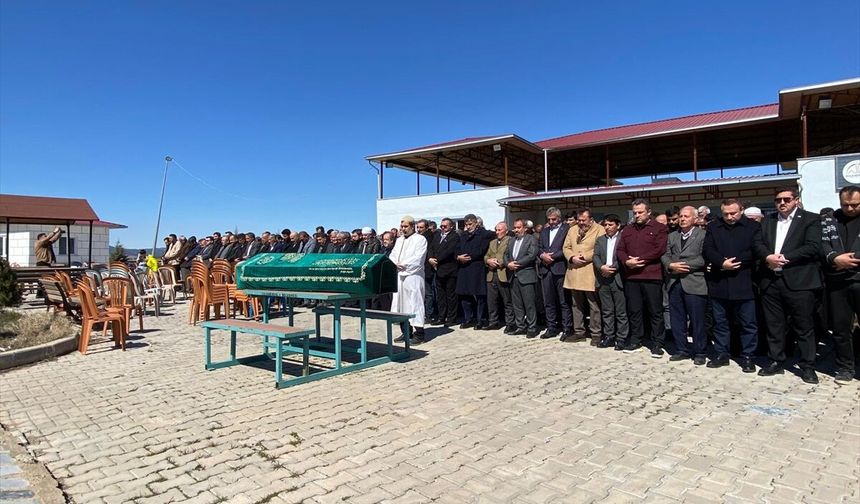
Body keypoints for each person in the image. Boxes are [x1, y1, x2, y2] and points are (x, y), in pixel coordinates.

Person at [754, 187, 823, 384]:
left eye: (786, 199)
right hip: (771, 281)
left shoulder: (811, 219)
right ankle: (776, 360)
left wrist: (784, 258)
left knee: (804, 326)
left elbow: (813, 247)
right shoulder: (768, 221)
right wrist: (768, 257)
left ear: (796, 200)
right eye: (778, 200)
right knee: (774, 325)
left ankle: (808, 365)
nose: (782, 203)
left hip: (799, 281)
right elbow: (757, 243)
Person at [702, 198, 760, 371]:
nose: (729, 217)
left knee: (748, 323)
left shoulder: (752, 226)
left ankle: (748, 356)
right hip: (720, 281)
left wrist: (737, 261)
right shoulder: (714, 226)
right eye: (725, 213)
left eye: (733, 213)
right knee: (720, 322)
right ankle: (722, 353)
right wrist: (721, 262)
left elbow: (755, 250)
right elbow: (707, 249)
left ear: (741, 210)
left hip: (744, 280)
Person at [616, 198, 668, 357]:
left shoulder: (659, 228)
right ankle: (636, 339)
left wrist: (640, 260)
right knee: (634, 310)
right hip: (631, 276)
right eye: (635, 212)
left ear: (649, 212)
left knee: (655, 311)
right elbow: (620, 249)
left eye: (640, 212)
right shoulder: (627, 229)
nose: (637, 215)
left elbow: (659, 249)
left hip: (651, 275)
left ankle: (657, 343)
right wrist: (627, 261)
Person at [822, 186, 860, 383]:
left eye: (855, 205)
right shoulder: (830, 220)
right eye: (846, 205)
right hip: (838, 282)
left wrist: (850, 259)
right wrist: (834, 257)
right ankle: (845, 367)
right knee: (840, 328)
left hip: (859, 277)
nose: (850, 208)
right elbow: (822, 244)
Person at [661, 206, 708, 363]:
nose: (682, 219)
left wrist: (683, 264)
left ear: (695, 219)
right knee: (677, 319)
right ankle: (681, 349)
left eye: (686, 216)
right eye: (680, 216)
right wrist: (670, 265)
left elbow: (703, 257)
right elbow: (665, 255)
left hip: (694, 281)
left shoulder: (703, 235)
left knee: (697, 320)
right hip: (674, 282)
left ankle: (700, 352)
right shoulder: (672, 236)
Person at [562, 208, 605, 344]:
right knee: (576, 304)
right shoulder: (572, 230)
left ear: (591, 219)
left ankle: (596, 333)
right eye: (579, 220)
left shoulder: (599, 229)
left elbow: (600, 248)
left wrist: (585, 257)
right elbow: (566, 247)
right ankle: (579, 331)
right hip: (574, 271)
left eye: (583, 220)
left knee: (593, 305)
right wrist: (572, 257)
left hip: (589, 271)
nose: (581, 223)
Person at [390, 216, 428, 344]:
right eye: (402, 226)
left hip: (413, 276)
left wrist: (404, 264)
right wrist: (394, 263)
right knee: (401, 304)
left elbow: (419, 257)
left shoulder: (420, 239)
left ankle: (419, 333)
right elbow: (393, 254)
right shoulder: (399, 240)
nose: (403, 229)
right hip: (400, 275)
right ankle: (406, 332)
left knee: (415, 303)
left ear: (412, 226)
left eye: (406, 226)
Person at [593, 214, 627, 350]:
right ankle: (609, 336)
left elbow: (624, 256)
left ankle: (621, 337)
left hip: (617, 277)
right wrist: (601, 267)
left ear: (618, 225)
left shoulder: (623, 238)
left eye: (610, 224)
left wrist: (613, 268)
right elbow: (595, 255)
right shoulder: (600, 240)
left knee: (620, 311)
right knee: (607, 310)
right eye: (605, 225)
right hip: (603, 278)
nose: (607, 227)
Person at [538, 207, 572, 340]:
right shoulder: (545, 231)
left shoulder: (566, 229)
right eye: (549, 219)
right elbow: (539, 246)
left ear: (559, 218)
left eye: (554, 219)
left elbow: (567, 248)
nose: (551, 222)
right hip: (546, 270)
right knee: (549, 301)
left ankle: (567, 328)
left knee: (564, 301)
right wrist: (542, 255)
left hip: (559, 268)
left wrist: (553, 257)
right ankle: (551, 327)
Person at [456, 214, 493, 329]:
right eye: (466, 224)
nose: (468, 226)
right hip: (463, 268)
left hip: (476, 267)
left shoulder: (483, 234)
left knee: (479, 296)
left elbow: (481, 250)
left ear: (476, 223)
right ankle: (468, 318)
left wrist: (468, 256)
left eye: (470, 224)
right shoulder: (463, 235)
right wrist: (458, 257)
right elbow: (456, 249)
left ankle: (480, 319)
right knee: (464, 295)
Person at [504, 218, 539, 337]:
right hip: (513, 276)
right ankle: (520, 326)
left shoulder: (531, 239)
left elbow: (531, 255)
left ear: (525, 228)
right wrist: (508, 263)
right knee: (517, 304)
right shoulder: (511, 240)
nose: (516, 230)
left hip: (526, 275)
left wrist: (516, 263)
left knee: (529, 303)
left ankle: (532, 327)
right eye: (514, 227)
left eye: (518, 228)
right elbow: (506, 254)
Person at [429, 218, 459, 327]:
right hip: (438, 270)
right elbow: (431, 248)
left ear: (451, 226)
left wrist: (436, 259)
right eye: (441, 226)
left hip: (449, 270)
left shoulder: (454, 236)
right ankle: (441, 317)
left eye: (445, 226)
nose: (442, 228)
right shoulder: (437, 236)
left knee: (451, 295)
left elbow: (449, 251)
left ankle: (451, 318)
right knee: (440, 296)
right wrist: (430, 258)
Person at [485, 221, 513, 331]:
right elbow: (486, 255)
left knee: (507, 300)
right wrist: (488, 260)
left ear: (506, 231)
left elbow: (510, 255)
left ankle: (510, 323)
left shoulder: (510, 241)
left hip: (503, 273)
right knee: (491, 300)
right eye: (496, 230)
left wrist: (498, 262)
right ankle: (493, 321)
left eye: (499, 230)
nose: (497, 232)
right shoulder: (492, 242)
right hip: (491, 274)